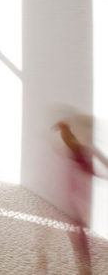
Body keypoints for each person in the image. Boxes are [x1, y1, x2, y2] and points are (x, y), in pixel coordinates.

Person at [52, 114, 108, 275]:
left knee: (78, 231)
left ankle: (85, 266)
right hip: (76, 196)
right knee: (77, 231)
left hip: (79, 197)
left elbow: (93, 168)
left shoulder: (82, 149)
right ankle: (84, 265)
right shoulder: (79, 148)